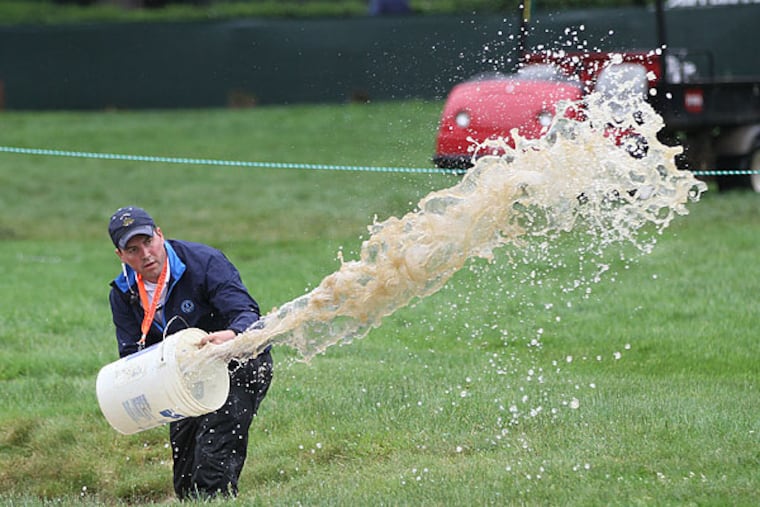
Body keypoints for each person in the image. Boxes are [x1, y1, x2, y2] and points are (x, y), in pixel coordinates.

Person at [106, 205, 272, 500]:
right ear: (120, 255)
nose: (145, 254)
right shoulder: (122, 292)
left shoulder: (205, 262)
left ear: (160, 235)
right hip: (181, 379)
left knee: (211, 472)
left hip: (239, 362)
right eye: (132, 249)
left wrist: (232, 337)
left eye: (148, 242)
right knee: (185, 481)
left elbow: (248, 314)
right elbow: (131, 356)